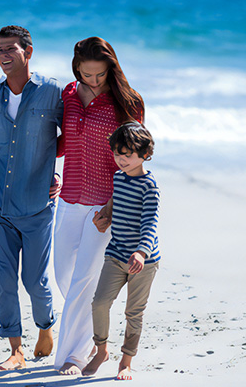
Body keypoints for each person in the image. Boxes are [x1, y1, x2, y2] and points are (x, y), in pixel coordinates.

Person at [53, 36, 145, 375]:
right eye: (86, 74)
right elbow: (61, 143)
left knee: (82, 282)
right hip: (68, 198)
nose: (93, 81)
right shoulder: (67, 94)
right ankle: (91, 337)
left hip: (106, 205)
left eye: (100, 75)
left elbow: (134, 158)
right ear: (76, 68)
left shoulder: (129, 102)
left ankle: (73, 357)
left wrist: (113, 203)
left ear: (111, 70)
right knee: (64, 275)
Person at [0, 25, 63, 370]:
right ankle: (15, 349)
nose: (3, 55)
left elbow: (71, 135)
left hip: (36, 205)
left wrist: (54, 171)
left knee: (34, 279)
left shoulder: (53, 92)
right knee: (4, 278)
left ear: (28, 52)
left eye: (10, 49)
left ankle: (46, 327)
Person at [82, 122, 160, 380]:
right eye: (117, 153)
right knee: (100, 303)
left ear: (145, 154)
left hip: (143, 261)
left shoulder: (150, 186)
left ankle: (126, 360)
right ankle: (101, 350)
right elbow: (115, 202)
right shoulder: (118, 178)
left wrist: (141, 252)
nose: (121, 160)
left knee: (133, 312)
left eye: (128, 154)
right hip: (116, 254)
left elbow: (151, 222)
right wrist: (104, 214)